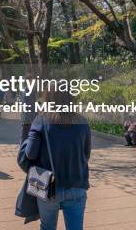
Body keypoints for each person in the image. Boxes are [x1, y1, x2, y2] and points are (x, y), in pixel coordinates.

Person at [22, 89, 91, 230]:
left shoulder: (40, 120)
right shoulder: (82, 121)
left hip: (47, 184)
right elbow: (86, 154)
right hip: (77, 184)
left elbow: (30, 154)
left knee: (47, 227)